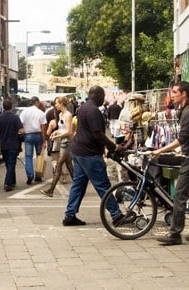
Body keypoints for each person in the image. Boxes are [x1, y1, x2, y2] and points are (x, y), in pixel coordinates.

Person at [152, 81, 189, 245]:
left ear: (184, 94)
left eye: (175, 92)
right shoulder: (187, 110)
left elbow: (182, 138)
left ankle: (175, 234)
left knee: (180, 195)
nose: (172, 95)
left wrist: (160, 150)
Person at [63, 85, 127, 227]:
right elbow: (97, 133)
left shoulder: (83, 108)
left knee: (78, 185)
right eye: (103, 96)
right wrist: (113, 146)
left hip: (78, 151)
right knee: (103, 184)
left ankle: (69, 215)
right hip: (89, 153)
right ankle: (116, 215)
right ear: (97, 95)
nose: (104, 99)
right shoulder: (93, 111)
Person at [41, 96, 74, 197]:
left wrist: (57, 135)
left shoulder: (68, 115)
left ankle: (51, 190)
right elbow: (61, 129)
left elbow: (69, 132)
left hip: (67, 143)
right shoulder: (60, 115)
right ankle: (80, 185)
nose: (55, 105)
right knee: (70, 167)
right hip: (62, 142)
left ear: (62, 103)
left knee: (59, 166)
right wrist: (54, 133)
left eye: (56, 103)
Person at [0, 98, 24, 191]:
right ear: (11, 107)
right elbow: (21, 130)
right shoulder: (15, 117)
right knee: (11, 164)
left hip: (3, 145)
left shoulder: (0, 118)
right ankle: (7, 183)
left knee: (8, 164)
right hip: (13, 144)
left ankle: (12, 181)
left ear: (3, 107)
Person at [19, 96, 47, 184]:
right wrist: (44, 140)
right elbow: (43, 127)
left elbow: (20, 123)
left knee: (28, 156)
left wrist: (23, 130)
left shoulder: (24, 112)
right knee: (39, 156)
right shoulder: (41, 113)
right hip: (38, 135)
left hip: (28, 135)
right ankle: (38, 175)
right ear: (37, 102)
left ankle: (30, 175)